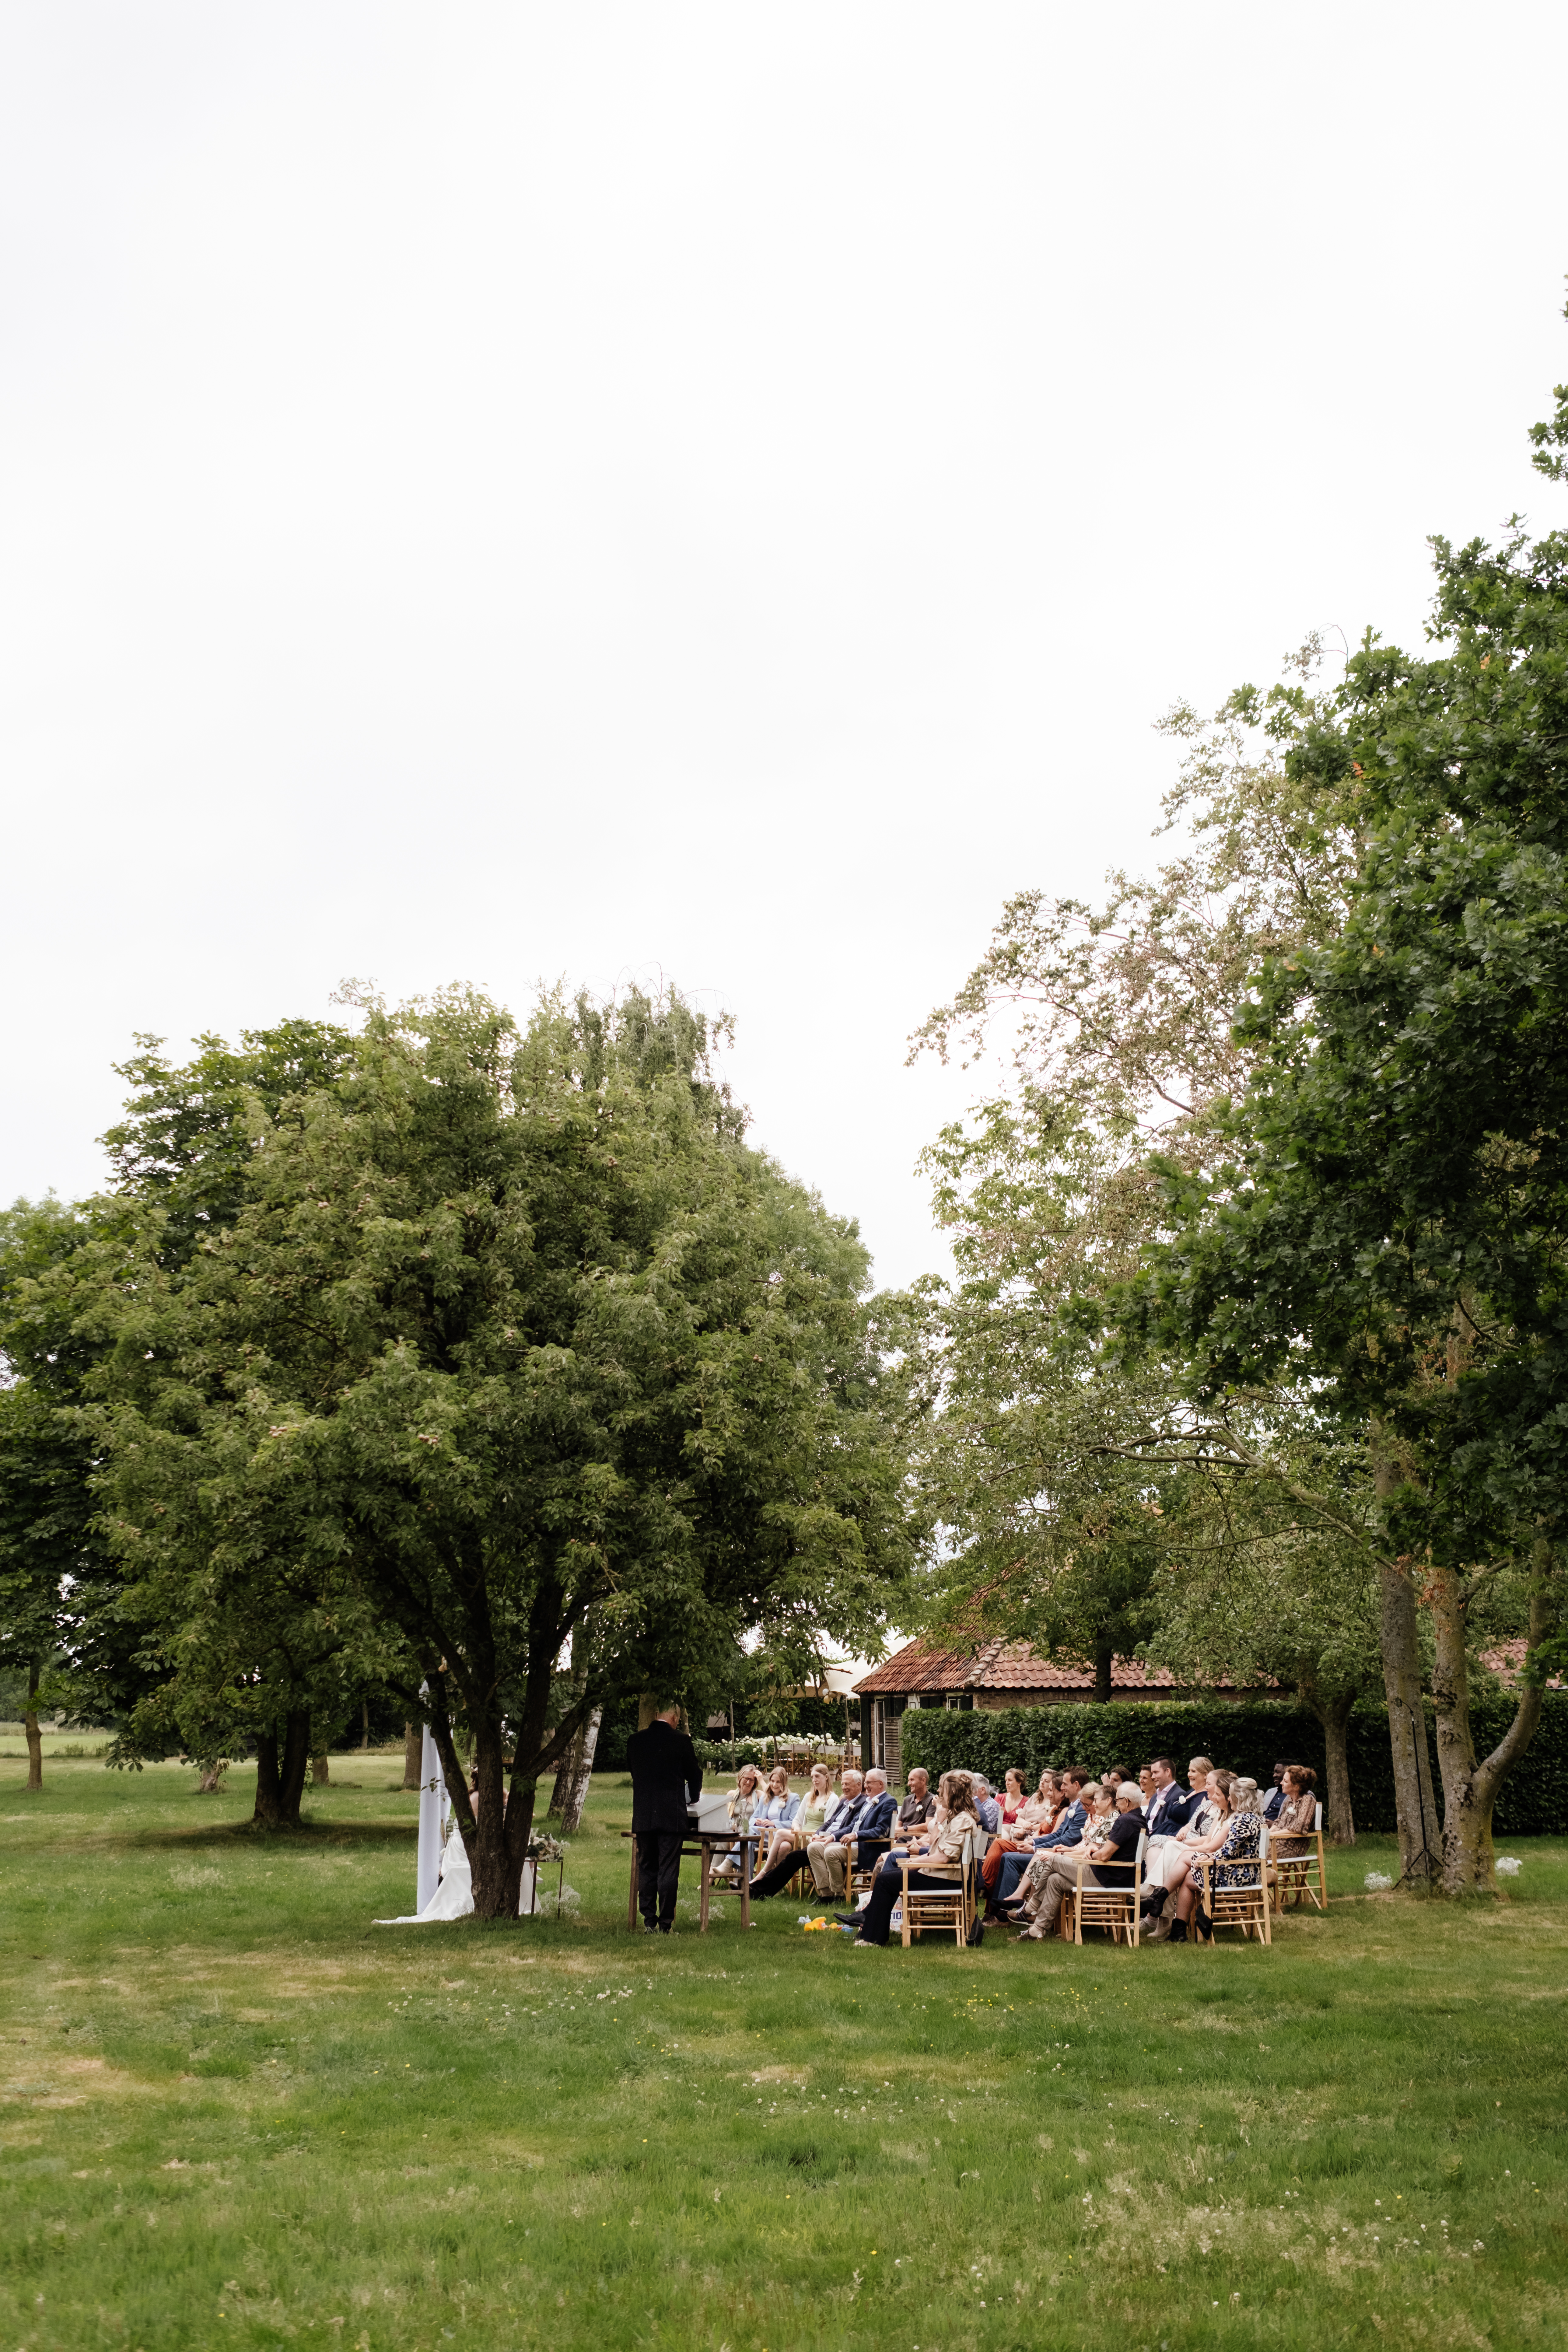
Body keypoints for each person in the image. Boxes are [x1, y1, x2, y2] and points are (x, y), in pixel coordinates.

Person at [848, 1772, 981, 1945]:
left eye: (944, 1792)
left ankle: (871, 1935)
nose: (940, 1794)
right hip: (942, 1875)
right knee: (887, 1879)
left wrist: (915, 1862)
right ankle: (871, 1930)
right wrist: (916, 1861)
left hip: (947, 1879)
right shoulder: (957, 1817)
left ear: (953, 1794)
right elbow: (936, 1850)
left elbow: (944, 1858)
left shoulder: (962, 1820)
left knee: (885, 1881)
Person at [1012, 1782, 1146, 1941]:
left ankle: (1031, 1908)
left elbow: (1104, 1855)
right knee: (1055, 1880)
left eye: (1118, 1800)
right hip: (1115, 1877)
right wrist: (1094, 1850)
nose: (1117, 1804)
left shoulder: (1126, 1820)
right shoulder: (1139, 1820)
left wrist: (1092, 1852)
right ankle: (1037, 1931)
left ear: (1127, 1801)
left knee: (1052, 1860)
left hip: (1107, 1879)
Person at [625, 1701, 702, 1933]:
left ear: (656, 1714)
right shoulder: (681, 1741)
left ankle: (649, 1921)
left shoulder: (635, 1741)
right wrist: (693, 1797)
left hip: (644, 1813)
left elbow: (634, 1772)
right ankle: (666, 1924)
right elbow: (695, 1774)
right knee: (668, 1868)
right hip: (671, 1816)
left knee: (647, 1867)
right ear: (676, 1719)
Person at [1162, 1773, 1262, 1944]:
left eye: (1231, 1795)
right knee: (1188, 1875)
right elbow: (1231, 1850)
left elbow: (1227, 1852)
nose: (1228, 1799)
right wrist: (1208, 1856)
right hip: (1242, 1871)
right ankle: (1176, 1926)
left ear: (1239, 1798)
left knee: (1188, 1875)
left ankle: (1172, 1918)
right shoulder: (1253, 1817)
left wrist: (1207, 1859)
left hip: (1240, 1875)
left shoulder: (1243, 1820)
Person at [1144, 1769, 1238, 1942]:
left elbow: (1211, 1847)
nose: (1214, 1798)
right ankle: (1178, 1931)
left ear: (1229, 1796)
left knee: (1178, 1852)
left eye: (1218, 1795)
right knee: (1188, 1878)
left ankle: (1158, 1895)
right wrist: (1185, 1843)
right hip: (1212, 1860)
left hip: (1224, 1867)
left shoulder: (1234, 1819)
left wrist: (1185, 1846)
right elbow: (1208, 1842)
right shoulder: (1222, 1814)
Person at [747, 1769, 866, 1901]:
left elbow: (851, 1828)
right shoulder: (844, 1802)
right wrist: (817, 1834)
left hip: (837, 1843)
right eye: (843, 1784)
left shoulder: (863, 1803)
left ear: (859, 1785)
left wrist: (829, 1836)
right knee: (792, 1857)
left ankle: (759, 1889)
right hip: (822, 1841)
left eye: (847, 1784)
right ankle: (759, 1890)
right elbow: (829, 1823)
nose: (844, 1787)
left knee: (793, 1857)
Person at [813, 1766, 894, 1899]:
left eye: (869, 1783)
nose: (865, 1786)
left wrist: (856, 1835)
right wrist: (833, 1837)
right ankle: (826, 1894)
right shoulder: (868, 1802)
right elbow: (853, 1825)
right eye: (865, 1783)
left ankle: (839, 1895)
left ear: (881, 1784)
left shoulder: (888, 1802)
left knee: (830, 1853)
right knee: (815, 1848)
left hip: (868, 1848)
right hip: (853, 1845)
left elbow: (882, 1831)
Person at [754, 1760, 834, 1878]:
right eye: (812, 1777)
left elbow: (829, 1826)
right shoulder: (809, 1796)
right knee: (784, 1846)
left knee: (781, 1833)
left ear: (827, 1777)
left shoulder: (832, 1799)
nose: (814, 1780)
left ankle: (764, 1873)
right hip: (801, 1834)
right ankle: (777, 1882)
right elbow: (797, 1821)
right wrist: (797, 1829)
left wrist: (809, 1834)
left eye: (817, 1776)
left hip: (815, 1838)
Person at [712, 1762, 763, 1883]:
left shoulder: (758, 1795)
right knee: (714, 1844)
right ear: (740, 1778)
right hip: (731, 1832)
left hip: (748, 1833)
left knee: (722, 1844)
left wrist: (761, 1780)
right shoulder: (731, 1795)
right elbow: (724, 1818)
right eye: (746, 1779)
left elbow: (771, 1799)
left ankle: (710, 1881)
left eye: (752, 1780)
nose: (748, 1783)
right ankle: (712, 1879)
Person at [1269, 1765, 1318, 1857]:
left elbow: (1299, 1827)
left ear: (1296, 1787)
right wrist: (1269, 1833)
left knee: (1256, 1852)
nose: (1281, 1783)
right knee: (1252, 1848)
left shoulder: (1308, 1800)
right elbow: (1279, 1821)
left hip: (1291, 1848)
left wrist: (1273, 1835)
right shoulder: (1289, 1800)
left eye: (1286, 1781)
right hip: (1276, 1842)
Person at [895, 1767, 936, 1837]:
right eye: (909, 1780)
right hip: (901, 1837)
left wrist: (905, 1829)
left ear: (923, 1781)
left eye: (912, 1780)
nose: (909, 1784)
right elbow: (899, 1825)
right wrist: (895, 1833)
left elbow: (928, 1826)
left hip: (918, 1839)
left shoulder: (932, 1800)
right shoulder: (907, 1800)